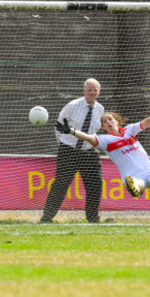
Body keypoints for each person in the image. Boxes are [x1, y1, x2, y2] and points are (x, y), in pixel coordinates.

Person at [55, 104, 150, 227]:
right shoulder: (105, 139)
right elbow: (89, 138)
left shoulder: (129, 130)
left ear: (117, 121)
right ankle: (135, 187)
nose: (108, 122)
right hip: (133, 176)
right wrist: (72, 131)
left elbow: (146, 122)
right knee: (136, 185)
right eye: (105, 121)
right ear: (103, 127)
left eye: (110, 119)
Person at [40, 78, 105, 224]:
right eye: (89, 89)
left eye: (95, 90)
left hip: (89, 152)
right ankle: (47, 217)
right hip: (68, 150)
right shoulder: (72, 106)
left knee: (95, 184)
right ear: (84, 90)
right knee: (61, 184)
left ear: (99, 92)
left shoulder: (100, 109)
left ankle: (93, 218)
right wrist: (64, 144)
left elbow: (95, 130)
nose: (92, 92)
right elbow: (59, 126)